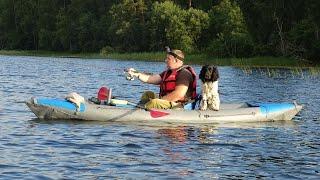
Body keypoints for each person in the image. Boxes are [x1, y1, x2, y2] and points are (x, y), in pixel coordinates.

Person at [126, 47, 197, 110]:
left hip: (179, 105)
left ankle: (140, 112)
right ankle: (139, 109)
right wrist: (136, 74)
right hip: (167, 102)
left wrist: (160, 100)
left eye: (168, 59)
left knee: (155, 102)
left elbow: (178, 95)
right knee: (147, 94)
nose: (165, 60)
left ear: (176, 61)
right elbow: (150, 78)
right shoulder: (168, 72)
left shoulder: (184, 73)